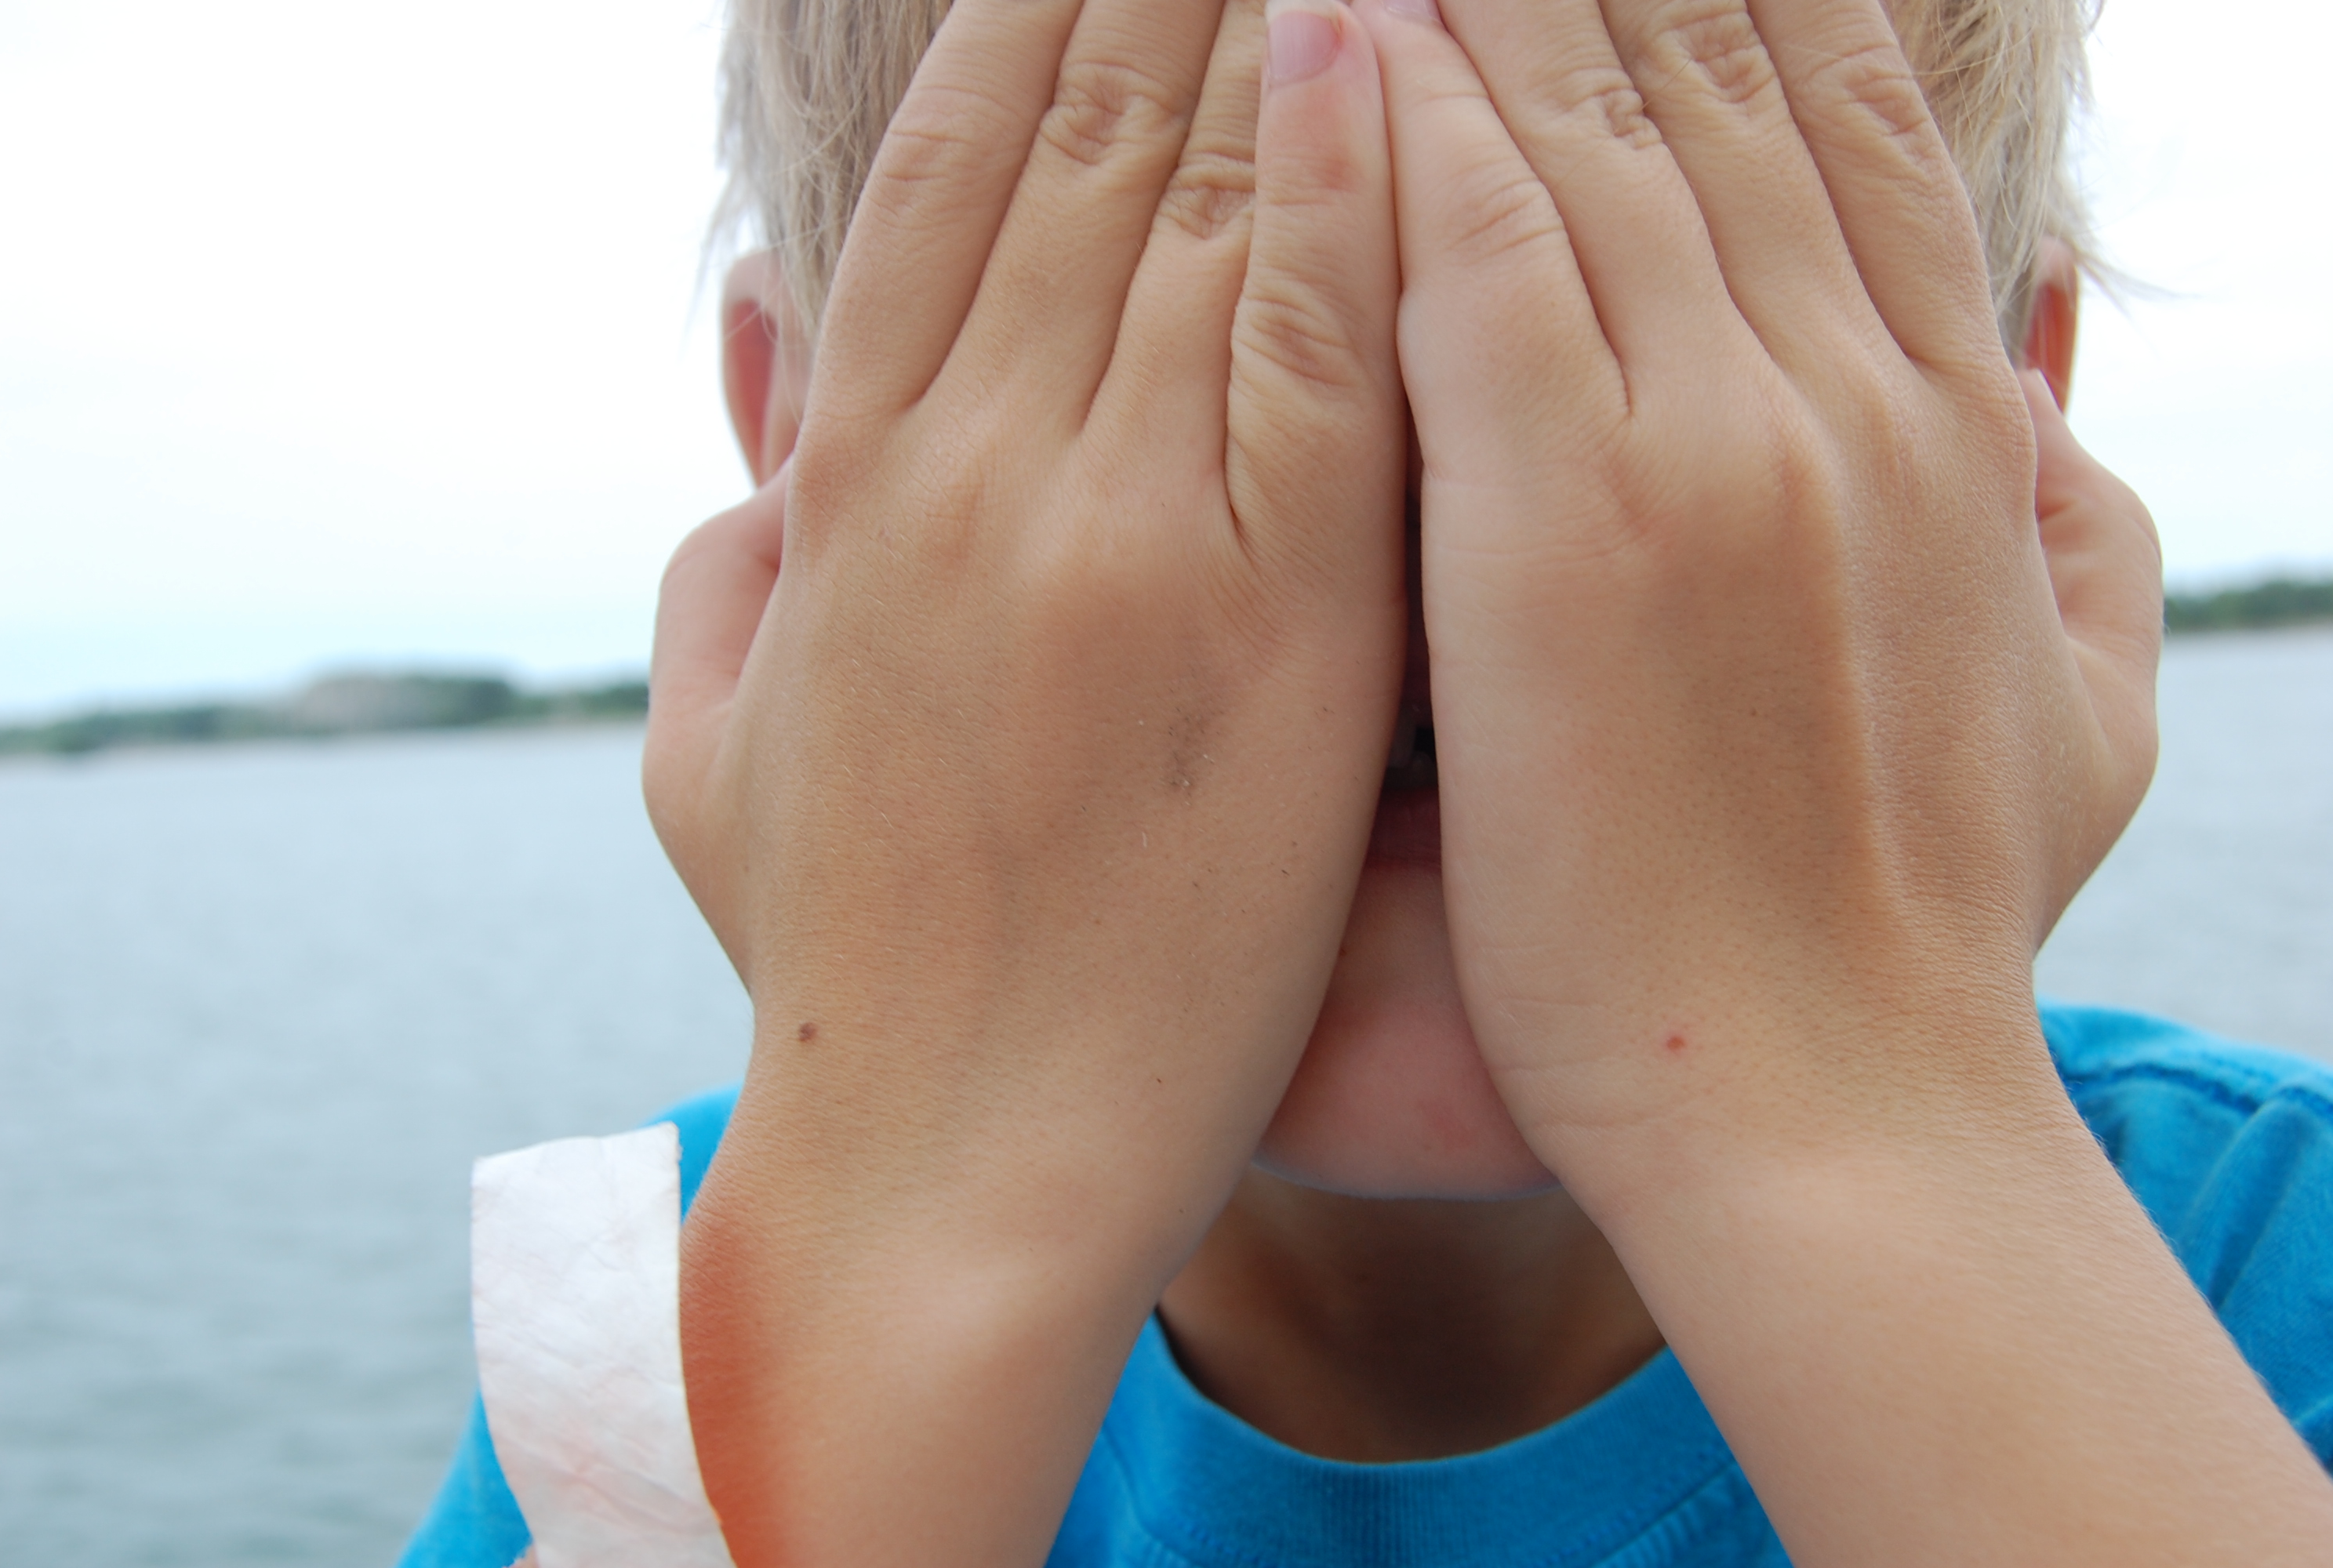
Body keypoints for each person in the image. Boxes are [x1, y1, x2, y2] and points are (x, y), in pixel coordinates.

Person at [402, 0, 2333, 1559]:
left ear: (2009, 440)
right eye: (1183, 358)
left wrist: (1848, 1122)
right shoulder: (699, 1318)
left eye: (1638, 337)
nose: (1455, 561)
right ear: (803, 455)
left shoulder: (2274, 1259)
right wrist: (924, 1194)